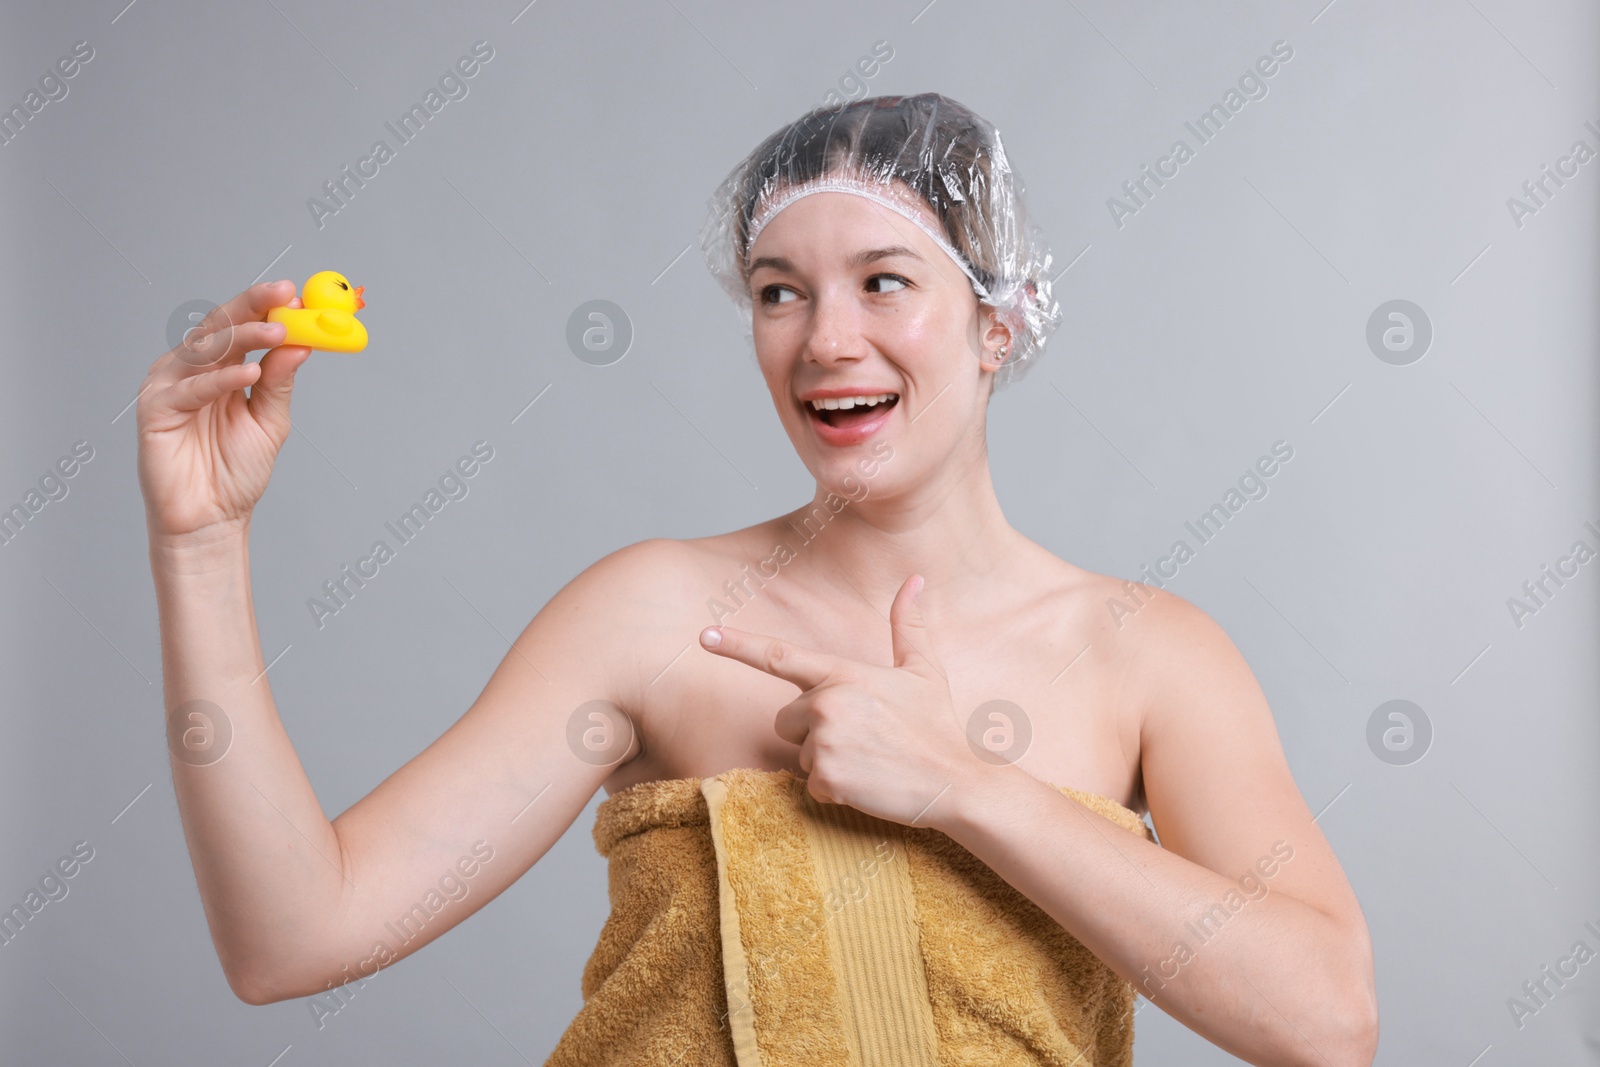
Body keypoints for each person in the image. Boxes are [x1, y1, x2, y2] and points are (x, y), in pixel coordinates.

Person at [137, 93, 1376, 1065]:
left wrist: (963, 784)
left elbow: (1325, 1022)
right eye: (780, 291)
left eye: (885, 279)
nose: (825, 337)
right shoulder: (653, 615)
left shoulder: (1143, 652)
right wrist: (200, 543)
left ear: (998, 319)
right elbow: (292, 937)